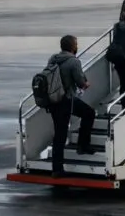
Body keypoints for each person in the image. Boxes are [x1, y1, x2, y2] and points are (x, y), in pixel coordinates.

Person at [47, 35, 96, 177]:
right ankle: (82, 146)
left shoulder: (53, 58)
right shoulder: (74, 62)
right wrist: (86, 84)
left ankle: (57, 167)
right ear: (73, 46)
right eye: (76, 44)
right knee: (89, 113)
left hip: (54, 100)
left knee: (59, 133)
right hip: (67, 100)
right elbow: (81, 82)